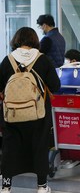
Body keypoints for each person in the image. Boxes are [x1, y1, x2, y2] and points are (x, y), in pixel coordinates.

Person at [0, 27, 60, 193]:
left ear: (16, 40)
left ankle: (5, 186)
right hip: (38, 115)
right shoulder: (43, 60)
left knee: (9, 149)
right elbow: (55, 86)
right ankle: (41, 186)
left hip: (11, 115)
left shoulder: (8, 60)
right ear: (34, 40)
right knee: (40, 147)